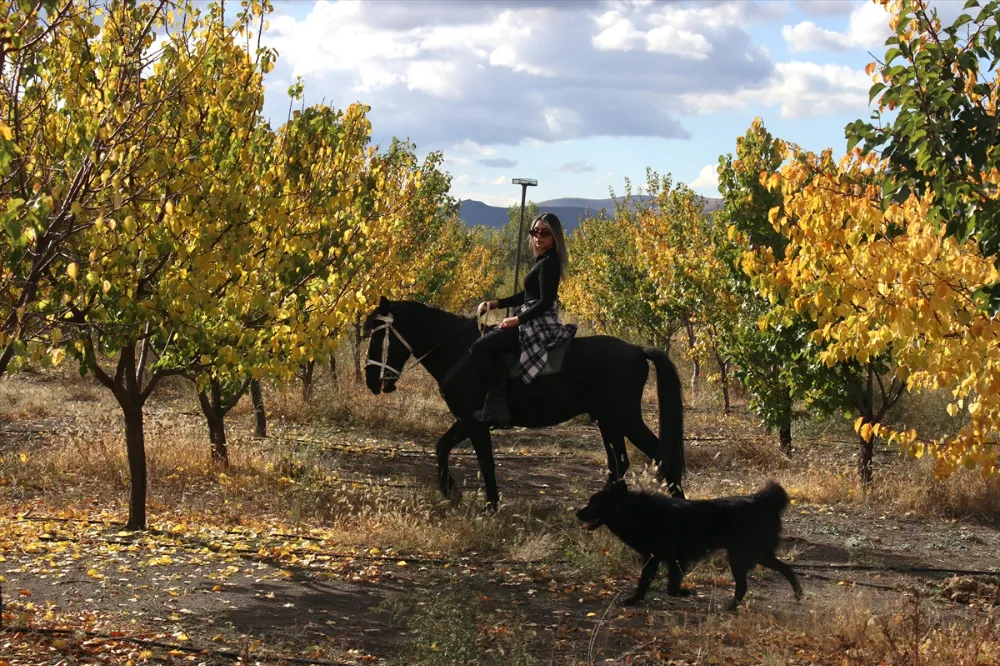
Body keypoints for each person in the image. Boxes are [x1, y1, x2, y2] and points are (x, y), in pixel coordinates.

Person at [471, 212, 577, 424]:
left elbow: (545, 301)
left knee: (480, 347)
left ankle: (496, 406)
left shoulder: (549, 262)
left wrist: (517, 320)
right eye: (535, 232)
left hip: (538, 321)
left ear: (554, 236)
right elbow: (528, 295)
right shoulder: (544, 260)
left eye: (545, 233)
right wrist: (496, 303)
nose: (538, 237)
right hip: (532, 316)